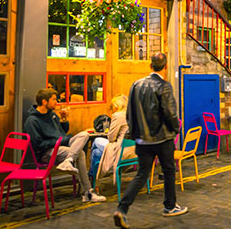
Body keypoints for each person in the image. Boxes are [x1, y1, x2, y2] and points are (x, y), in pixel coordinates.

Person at [114, 53, 187, 229]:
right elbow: (170, 113)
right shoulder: (164, 86)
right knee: (169, 171)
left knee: (142, 174)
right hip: (162, 138)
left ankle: (122, 209)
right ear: (166, 66)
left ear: (150, 66)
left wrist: (135, 134)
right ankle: (169, 206)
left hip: (142, 139)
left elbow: (129, 114)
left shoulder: (136, 85)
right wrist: (176, 129)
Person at [24, 88, 106, 203]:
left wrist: (64, 120)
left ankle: (69, 161)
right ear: (44, 101)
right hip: (46, 152)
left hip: (62, 145)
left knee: (84, 135)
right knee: (81, 153)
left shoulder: (52, 115)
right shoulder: (32, 121)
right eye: (53, 100)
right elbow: (38, 145)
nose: (56, 102)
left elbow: (62, 133)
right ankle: (87, 192)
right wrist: (59, 141)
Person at [90, 95, 136, 184]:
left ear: (117, 105)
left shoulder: (118, 115)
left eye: (112, 106)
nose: (112, 108)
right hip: (133, 151)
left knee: (96, 142)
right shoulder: (133, 114)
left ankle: (93, 179)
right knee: (97, 152)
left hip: (121, 151)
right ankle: (92, 177)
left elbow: (111, 138)